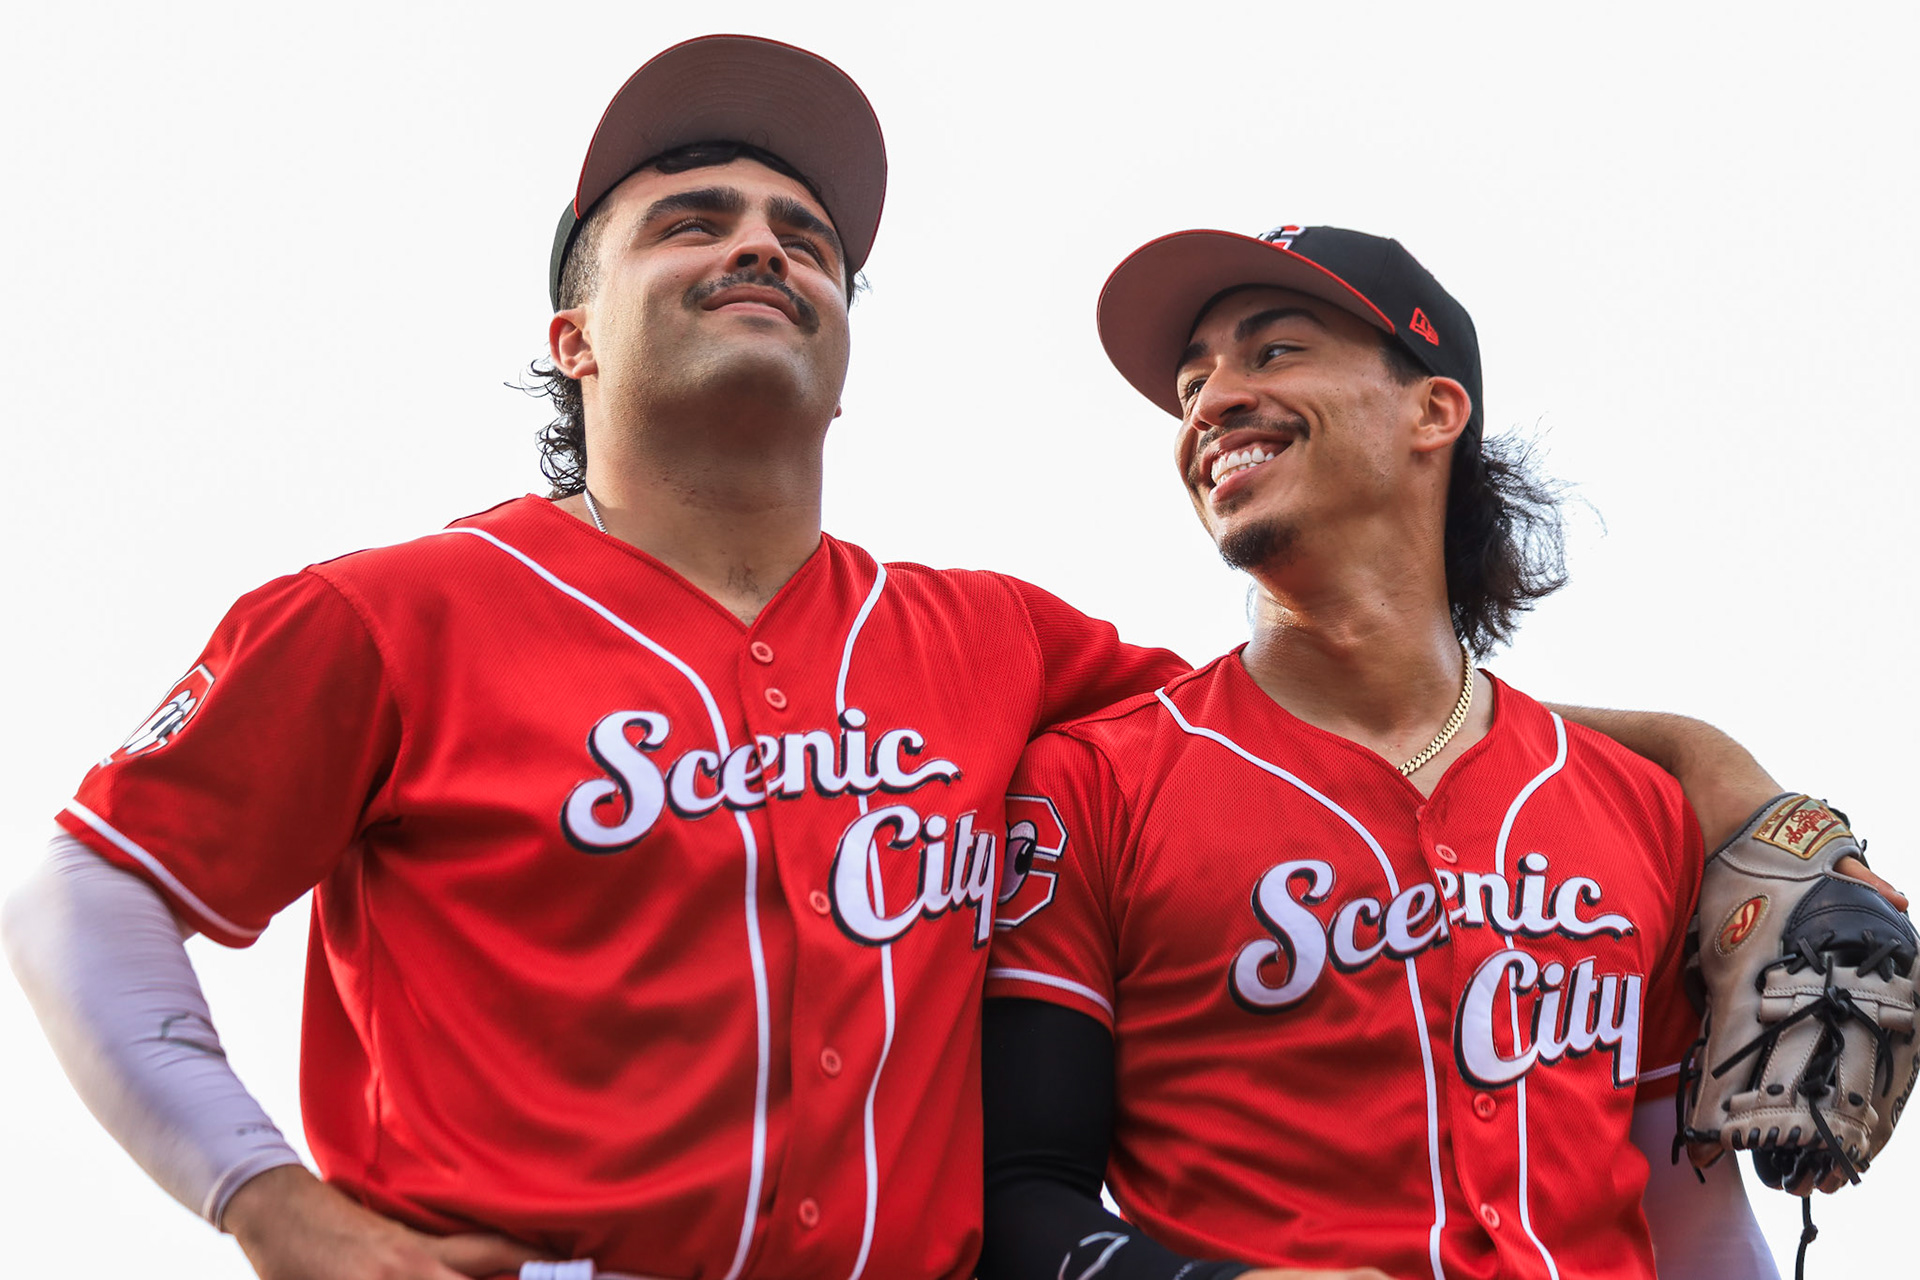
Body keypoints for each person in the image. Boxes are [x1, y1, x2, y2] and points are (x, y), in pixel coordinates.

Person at [0, 38, 1851, 1280]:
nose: (762, 249)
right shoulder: (382, 615)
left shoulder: (992, 643)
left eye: (803, 237)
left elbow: (1344, 720)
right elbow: (90, 881)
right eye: (692, 221)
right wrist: (266, 1202)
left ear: (843, 334)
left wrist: (1702, 771)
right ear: (570, 335)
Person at [977, 225, 1860, 1279]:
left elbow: (1692, 1219)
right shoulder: (1094, 783)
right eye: (1192, 380)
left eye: (1272, 351)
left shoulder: (1638, 805)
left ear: (1433, 408)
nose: (1210, 402)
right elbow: (1017, 1197)